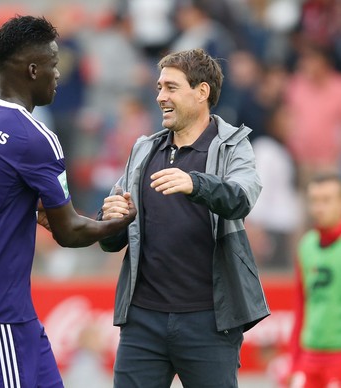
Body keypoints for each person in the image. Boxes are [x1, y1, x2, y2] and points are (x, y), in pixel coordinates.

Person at [0, 15, 136, 388]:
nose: (58, 75)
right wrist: (123, 220)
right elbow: (68, 231)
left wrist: (26, 206)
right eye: (53, 65)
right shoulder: (35, 139)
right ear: (33, 70)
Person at [99, 48, 270, 387]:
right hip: (142, 321)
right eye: (159, 87)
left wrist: (196, 184)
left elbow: (241, 198)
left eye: (171, 88)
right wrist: (110, 218)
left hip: (210, 322)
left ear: (202, 91)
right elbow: (111, 238)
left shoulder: (234, 146)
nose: (160, 96)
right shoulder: (144, 149)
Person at [288, 173, 341, 387]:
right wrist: (294, 360)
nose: (319, 208)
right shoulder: (306, 245)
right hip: (309, 356)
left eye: (327, 200)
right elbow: (301, 304)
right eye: (314, 201)